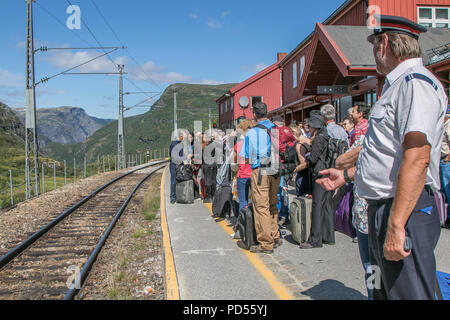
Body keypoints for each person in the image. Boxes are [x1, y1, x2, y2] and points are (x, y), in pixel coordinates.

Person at [316, 15, 447, 300]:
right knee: (384, 292)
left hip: (403, 208)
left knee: (408, 294)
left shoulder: (415, 83)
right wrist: (348, 176)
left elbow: (417, 156)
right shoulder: (397, 84)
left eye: (374, 44)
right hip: (386, 206)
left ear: (384, 43)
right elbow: (385, 150)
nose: (373, 52)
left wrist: (397, 224)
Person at [240, 102, 282, 254]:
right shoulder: (275, 129)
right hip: (276, 169)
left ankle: (266, 243)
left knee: (261, 206)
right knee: (273, 202)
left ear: (254, 115)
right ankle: (275, 235)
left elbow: (246, 158)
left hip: (261, 170)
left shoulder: (252, 133)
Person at [299, 114, 335, 249]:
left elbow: (313, 158)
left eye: (310, 124)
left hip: (319, 173)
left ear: (315, 126)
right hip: (328, 171)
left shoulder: (318, 138)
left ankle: (315, 239)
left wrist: (306, 154)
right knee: (327, 205)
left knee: (317, 205)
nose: (308, 126)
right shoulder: (326, 136)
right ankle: (328, 236)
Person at [169, 131, 185, 204]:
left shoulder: (178, 143)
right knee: (174, 181)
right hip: (175, 165)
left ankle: (175, 197)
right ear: (180, 136)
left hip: (177, 164)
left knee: (176, 180)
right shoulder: (176, 144)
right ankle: (173, 197)